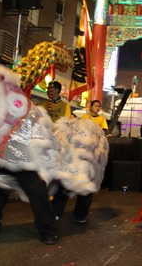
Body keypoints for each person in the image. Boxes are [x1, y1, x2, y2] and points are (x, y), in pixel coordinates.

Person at [39, 81, 87, 224]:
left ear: (59, 91)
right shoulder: (42, 105)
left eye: (52, 89)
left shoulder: (65, 106)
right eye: (48, 89)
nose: (50, 91)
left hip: (58, 143)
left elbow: (65, 125)